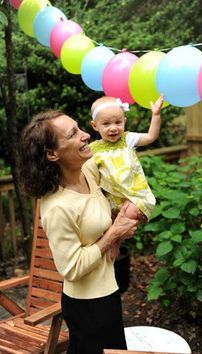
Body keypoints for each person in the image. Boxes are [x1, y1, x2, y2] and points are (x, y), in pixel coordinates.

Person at [19, 110, 138, 354]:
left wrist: (125, 214)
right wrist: (114, 234)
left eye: (79, 128)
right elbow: (71, 268)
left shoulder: (88, 172)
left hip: (109, 289)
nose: (86, 135)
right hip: (88, 304)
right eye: (73, 134)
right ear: (53, 154)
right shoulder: (57, 206)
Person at [90, 95, 164, 221]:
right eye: (106, 124)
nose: (113, 128)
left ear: (124, 121)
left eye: (118, 122)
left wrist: (156, 115)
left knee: (127, 216)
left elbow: (151, 136)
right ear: (95, 125)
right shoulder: (92, 149)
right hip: (110, 200)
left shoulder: (127, 139)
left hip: (133, 197)